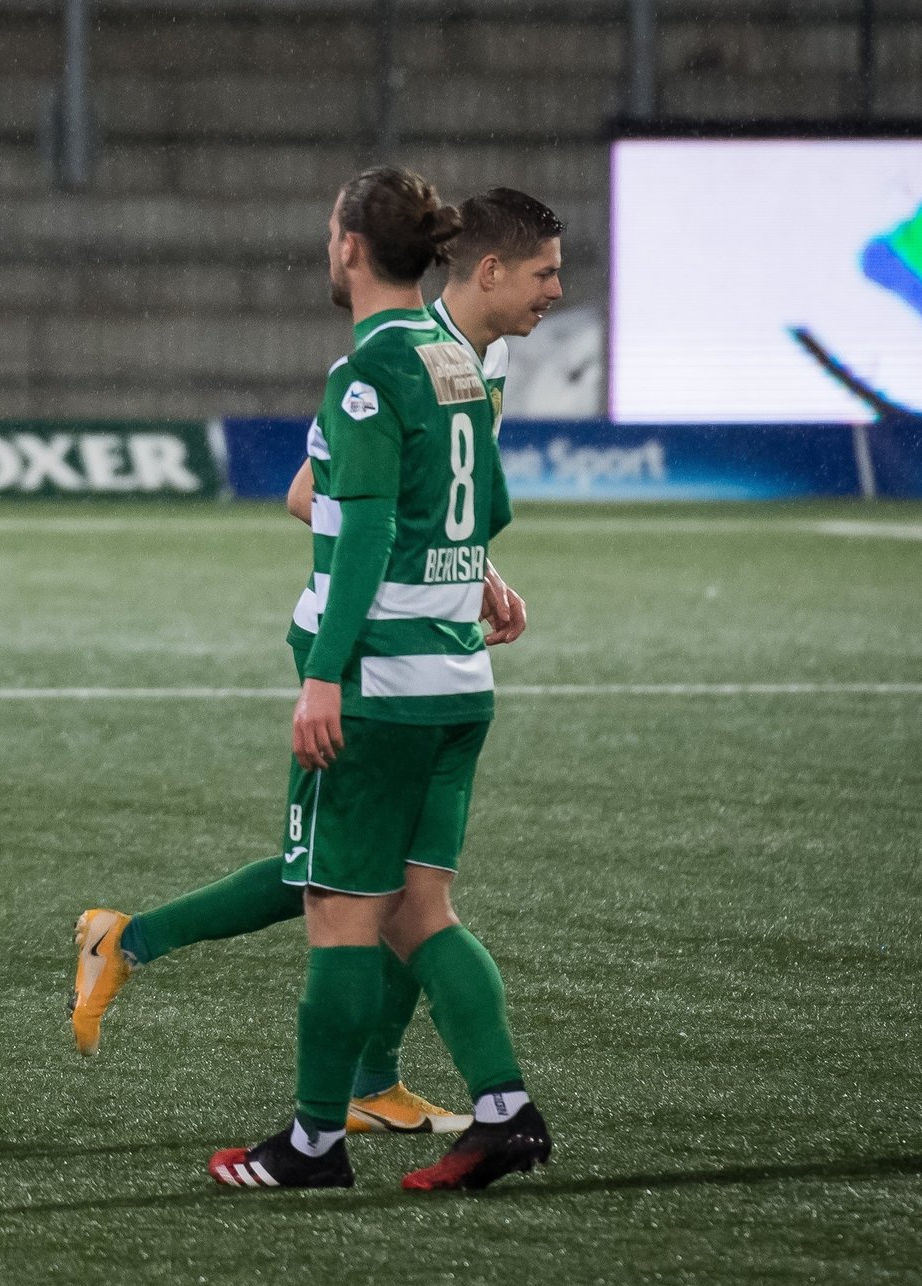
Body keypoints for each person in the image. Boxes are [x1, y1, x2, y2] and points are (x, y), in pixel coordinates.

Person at [73, 189, 563, 1146]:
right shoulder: (397, 366)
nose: (557, 291)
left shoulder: (470, 361)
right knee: (351, 888)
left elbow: (438, 504)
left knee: (370, 888)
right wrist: (368, 629)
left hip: (416, 653)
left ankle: (364, 1086)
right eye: (545, 274)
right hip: (376, 656)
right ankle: (135, 946)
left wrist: (473, 565)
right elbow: (315, 497)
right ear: (483, 270)